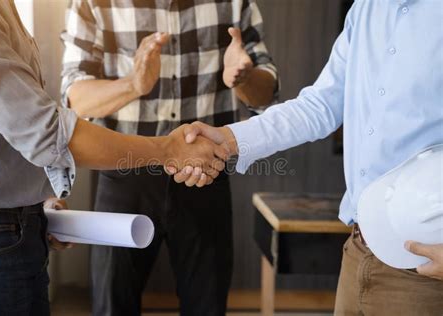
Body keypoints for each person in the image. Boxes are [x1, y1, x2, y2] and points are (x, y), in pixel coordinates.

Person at [172, 0, 443, 314]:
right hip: (358, 248)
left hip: (426, 268)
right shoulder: (366, 9)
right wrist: (230, 138)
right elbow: (321, 106)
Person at [0, 1, 227, 315]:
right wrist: (167, 147)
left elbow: (5, 129)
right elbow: (48, 128)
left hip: (14, 226)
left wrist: (36, 202)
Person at [61, 1, 278, 315]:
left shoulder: (233, 4)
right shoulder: (93, 3)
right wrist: (133, 84)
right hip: (124, 177)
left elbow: (267, 95)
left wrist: (244, 79)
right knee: (112, 305)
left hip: (206, 176)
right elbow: (75, 99)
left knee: (208, 306)